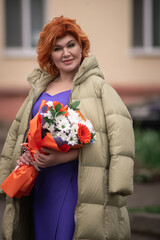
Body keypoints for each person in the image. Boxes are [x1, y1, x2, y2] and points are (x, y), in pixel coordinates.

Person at [0, 16, 135, 240]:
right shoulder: (39, 88)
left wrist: (61, 159)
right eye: (57, 48)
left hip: (76, 183)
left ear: (82, 47)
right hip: (41, 184)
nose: (66, 53)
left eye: (71, 45)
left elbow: (116, 137)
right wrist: (26, 155)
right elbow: (24, 134)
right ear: (49, 54)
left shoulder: (98, 87)